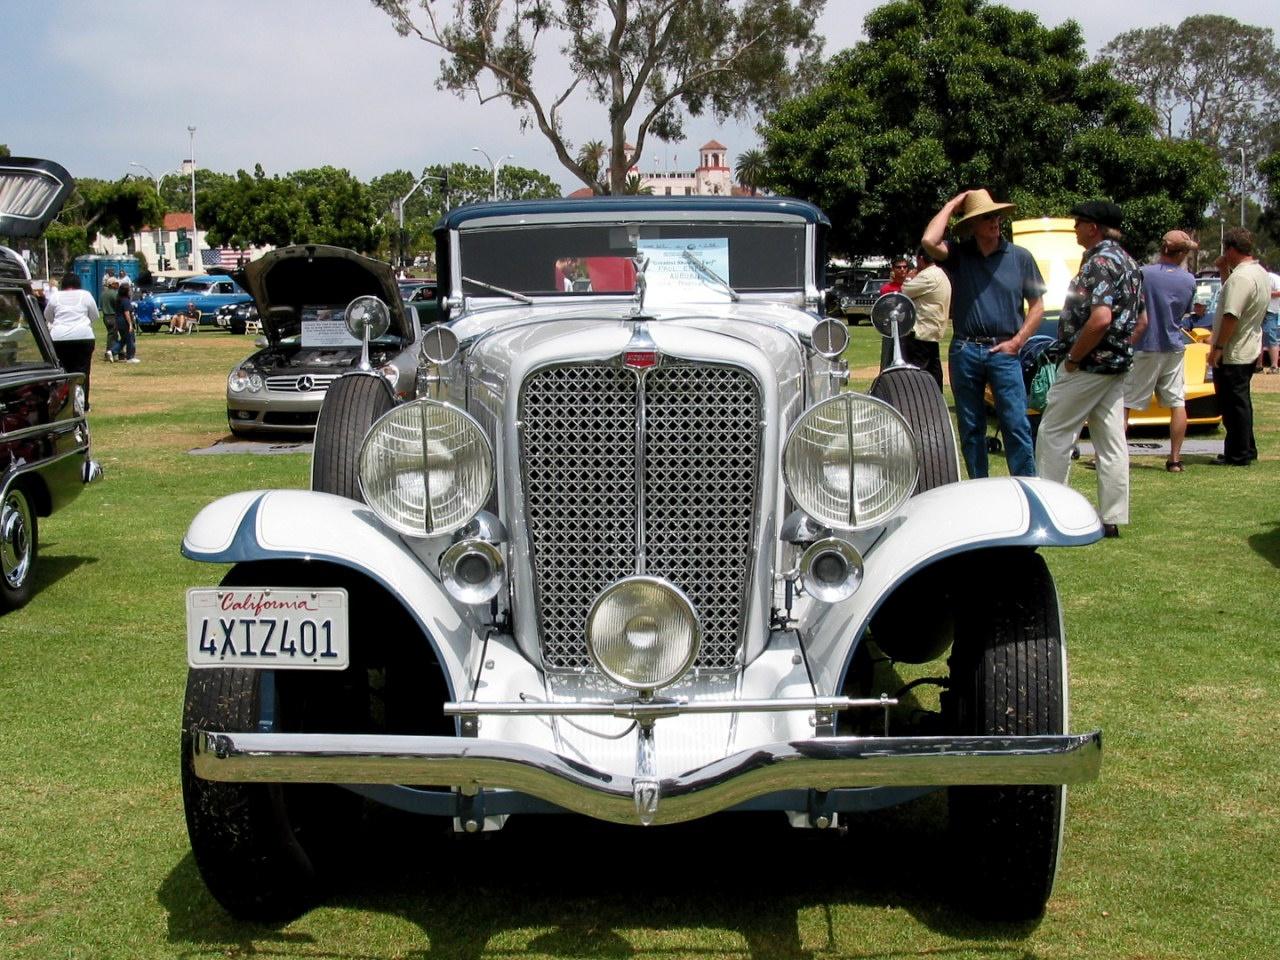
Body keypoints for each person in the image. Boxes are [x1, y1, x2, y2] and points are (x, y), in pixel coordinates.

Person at [1035, 201, 1144, 538]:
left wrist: (1074, 359)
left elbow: (1100, 319)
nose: (1075, 229)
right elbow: (1142, 321)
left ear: (1094, 227)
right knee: (1111, 442)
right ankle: (1112, 517)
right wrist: (1118, 349)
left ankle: (1050, 511)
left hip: (1087, 367)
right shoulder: (1130, 264)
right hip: (1114, 368)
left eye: (1079, 222)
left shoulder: (1098, 263)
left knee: (1053, 433)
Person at [922, 188, 1045, 477]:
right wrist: (953, 204)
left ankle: (1025, 486)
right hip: (965, 350)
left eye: (997, 216)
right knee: (971, 426)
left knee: (1016, 424)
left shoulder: (1020, 257)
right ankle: (980, 487)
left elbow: (1038, 305)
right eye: (986, 217)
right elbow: (929, 240)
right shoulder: (960, 254)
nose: (995, 222)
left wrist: (1017, 342)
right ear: (973, 224)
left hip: (1005, 350)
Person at [1124, 230, 1198, 472]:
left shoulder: (1144, 273)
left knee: (1125, 403)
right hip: (1174, 346)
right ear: (1181, 253)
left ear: (1163, 249)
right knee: (1177, 403)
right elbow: (1186, 311)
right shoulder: (1189, 280)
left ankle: (1115, 456)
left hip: (1144, 345)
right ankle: (1175, 459)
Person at [1209, 228, 1269, 465]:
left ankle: (1238, 453)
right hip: (1248, 345)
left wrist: (1219, 347)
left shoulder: (1241, 278)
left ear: (1231, 250)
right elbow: (1232, 296)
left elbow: (1231, 314)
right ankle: (1245, 447)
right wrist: (1224, 270)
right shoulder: (1258, 272)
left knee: (1233, 405)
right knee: (1240, 402)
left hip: (1234, 350)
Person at [880, 247, 950, 391]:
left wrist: (910, 277)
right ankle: (936, 397)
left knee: (917, 372)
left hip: (921, 331)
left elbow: (905, 291)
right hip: (933, 330)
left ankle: (918, 400)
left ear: (921, 259)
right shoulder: (941, 273)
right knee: (934, 369)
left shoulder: (926, 276)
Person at [42, 272, 99, 409]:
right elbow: (95, 315)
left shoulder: (55, 297)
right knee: (83, 372)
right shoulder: (86, 295)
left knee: (63, 371)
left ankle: (63, 403)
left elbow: (48, 316)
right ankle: (82, 404)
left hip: (60, 338)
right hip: (83, 337)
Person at [1261, 262, 1280, 374]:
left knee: (1270, 335)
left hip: (1271, 311)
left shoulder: (1273, 278)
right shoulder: (1256, 279)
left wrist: (1266, 293)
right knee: (1257, 337)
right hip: (1258, 311)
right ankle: (1258, 365)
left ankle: (1274, 366)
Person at [115, 281, 139, 362]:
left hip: (119, 321)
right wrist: (130, 324)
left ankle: (112, 351)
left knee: (124, 339)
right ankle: (130, 357)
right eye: (129, 290)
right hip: (125, 321)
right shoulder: (125, 300)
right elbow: (126, 313)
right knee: (130, 339)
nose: (131, 291)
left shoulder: (119, 299)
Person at [100, 275, 120, 359]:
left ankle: (111, 352)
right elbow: (118, 304)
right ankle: (111, 352)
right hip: (113, 316)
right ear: (111, 284)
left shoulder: (103, 294)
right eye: (116, 283)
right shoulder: (114, 293)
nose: (118, 284)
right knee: (113, 336)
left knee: (111, 334)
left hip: (105, 316)